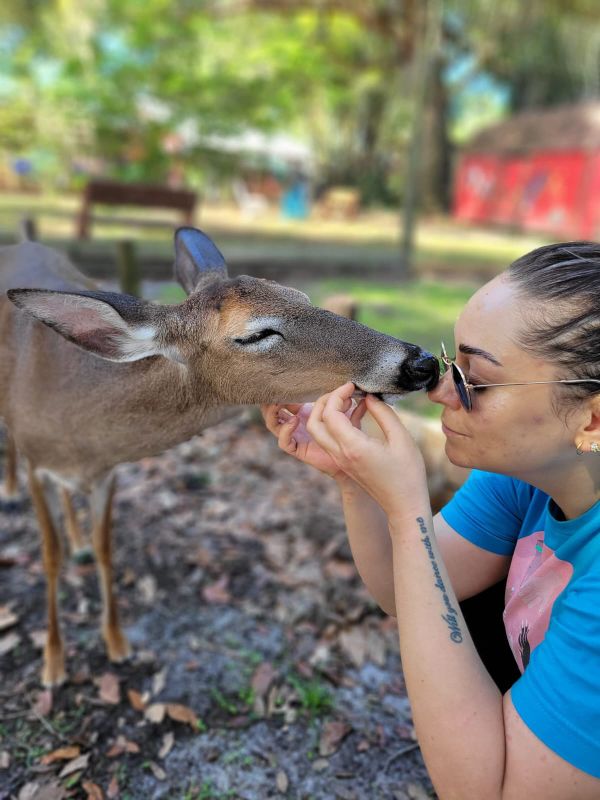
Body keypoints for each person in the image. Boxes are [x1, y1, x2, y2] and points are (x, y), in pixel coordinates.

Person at [261, 241, 600, 799]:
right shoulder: (528, 469)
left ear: (592, 419)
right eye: (453, 362)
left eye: (478, 381)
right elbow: (410, 590)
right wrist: (356, 481)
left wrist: (408, 509)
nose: (443, 389)